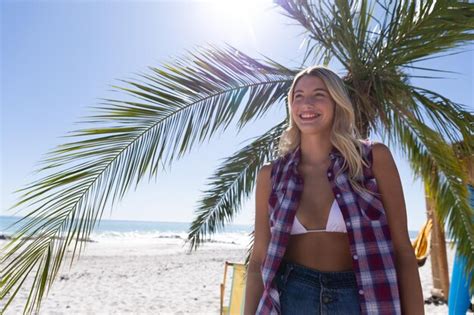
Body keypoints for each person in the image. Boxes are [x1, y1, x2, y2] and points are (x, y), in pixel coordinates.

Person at [243, 65, 424, 314]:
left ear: (336, 101)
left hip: (361, 298)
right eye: (298, 96)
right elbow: (257, 261)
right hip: (290, 298)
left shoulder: (373, 160)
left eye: (319, 94)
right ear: (291, 106)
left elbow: (403, 250)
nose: (307, 103)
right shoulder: (271, 175)